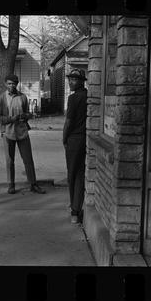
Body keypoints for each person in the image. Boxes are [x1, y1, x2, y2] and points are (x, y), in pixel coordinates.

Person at [0, 74, 46, 195]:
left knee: (28, 159)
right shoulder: (1, 98)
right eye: (9, 83)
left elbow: (28, 113)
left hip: (22, 132)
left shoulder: (23, 97)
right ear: (5, 84)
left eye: (13, 83)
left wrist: (26, 116)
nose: (11, 86)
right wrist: (12, 119)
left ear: (17, 84)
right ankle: (11, 185)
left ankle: (33, 184)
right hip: (8, 132)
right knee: (10, 160)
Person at [63, 69, 88, 224]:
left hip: (74, 139)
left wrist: (64, 138)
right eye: (70, 79)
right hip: (84, 139)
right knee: (80, 174)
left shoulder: (73, 98)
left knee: (72, 174)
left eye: (74, 80)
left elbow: (68, 122)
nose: (70, 82)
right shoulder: (87, 96)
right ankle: (76, 206)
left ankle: (74, 211)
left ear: (81, 81)